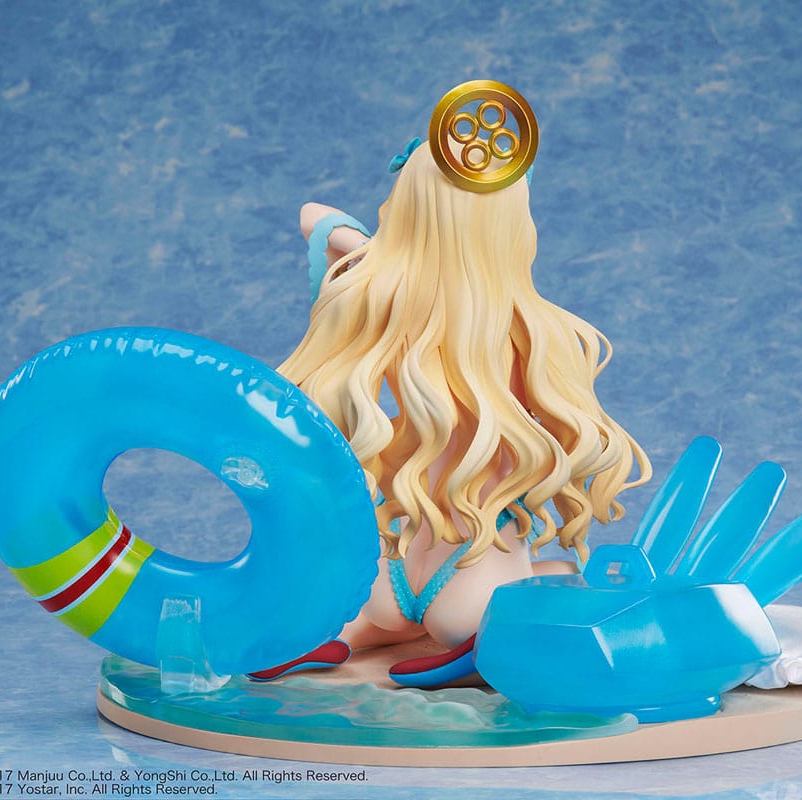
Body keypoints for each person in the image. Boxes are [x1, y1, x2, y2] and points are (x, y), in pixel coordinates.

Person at [250, 84, 651, 685]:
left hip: (402, 544)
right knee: (482, 612)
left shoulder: (382, 294)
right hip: (476, 544)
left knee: (375, 613)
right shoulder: (529, 326)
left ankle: (358, 634)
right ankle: (462, 644)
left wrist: (385, 247)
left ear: (405, 209)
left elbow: (315, 215)